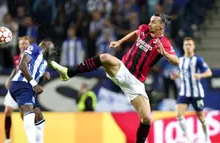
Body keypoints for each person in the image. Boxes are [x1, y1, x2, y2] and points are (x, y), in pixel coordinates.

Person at [51, 13, 179, 143]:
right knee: (105, 57)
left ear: (161, 26)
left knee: (146, 119)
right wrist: (120, 41)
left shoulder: (164, 42)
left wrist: (165, 54)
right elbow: (135, 33)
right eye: (150, 21)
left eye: (153, 22)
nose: (150, 24)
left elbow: (177, 61)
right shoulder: (144, 29)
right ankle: (69, 73)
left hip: (136, 82)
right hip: (122, 69)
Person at [8, 39, 54, 143]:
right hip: (21, 83)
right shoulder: (35, 47)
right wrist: (34, 84)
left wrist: (43, 77)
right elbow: (22, 64)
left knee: (39, 117)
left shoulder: (44, 62)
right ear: (46, 43)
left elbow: (37, 81)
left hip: (29, 88)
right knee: (28, 110)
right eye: (51, 47)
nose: (52, 50)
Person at [170, 37, 212, 143]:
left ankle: (207, 139)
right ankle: (189, 139)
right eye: (186, 45)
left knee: (201, 118)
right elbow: (183, 73)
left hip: (196, 93)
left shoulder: (198, 60)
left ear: (193, 46)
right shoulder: (180, 60)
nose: (188, 46)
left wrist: (200, 75)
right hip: (184, 92)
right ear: (183, 47)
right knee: (179, 115)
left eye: (190, 44)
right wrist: (176, 76)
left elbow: (209, 72)